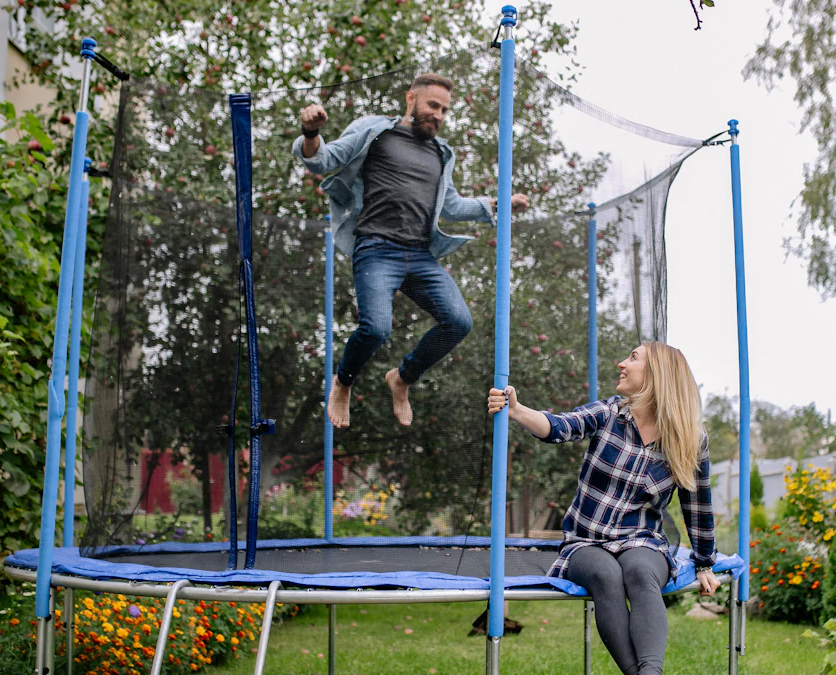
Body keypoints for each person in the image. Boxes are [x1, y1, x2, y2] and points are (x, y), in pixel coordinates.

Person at [295, 73, 529, 429]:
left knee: (458, 322)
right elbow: (321, 160)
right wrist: (311, 133)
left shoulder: (440, 153)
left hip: (419, 256)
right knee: (375, 329)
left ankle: (402, 378)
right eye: (432, 105)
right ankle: (343, 382)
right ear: (411, 100)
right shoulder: (376, 133)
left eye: (444, 110)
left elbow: (451, 205)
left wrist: (498, 205)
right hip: (376, 250)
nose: (438, 115)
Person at [487, 342, 718, 675]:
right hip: (585, 541)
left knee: (640, 572)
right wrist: (517, 410)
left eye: (633, 358)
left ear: (656, 375)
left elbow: (698, 506)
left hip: (642, 540)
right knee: (606, 574)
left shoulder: (689, 439)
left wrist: (704, 562)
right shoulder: (609, 413)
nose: (621, 363)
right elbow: (558, 426)